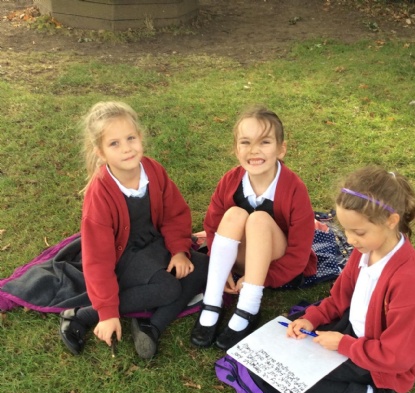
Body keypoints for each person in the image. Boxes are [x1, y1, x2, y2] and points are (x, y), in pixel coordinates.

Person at [286, 167, 415, 393]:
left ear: (391, 221)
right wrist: (312, 318)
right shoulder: (364, 251)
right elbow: (339, 298)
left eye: (358, 231)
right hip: (355, 332)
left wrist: (344, 345)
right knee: (283, 355)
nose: (349, 240)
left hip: (379, 359)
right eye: (345, 229)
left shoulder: (413, 287)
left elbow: (398, 357)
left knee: (292, 381)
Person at [59, 101, 208, 359]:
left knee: (205, 266)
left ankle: (150, 327)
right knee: (168, 288)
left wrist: (179, 251)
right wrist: (107, 312)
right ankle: (84, 314)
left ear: (140, 137)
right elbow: (98, 258)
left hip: (154, 244)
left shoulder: (153, 170)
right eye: (114, 143)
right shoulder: (100, 193)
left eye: (130, 138)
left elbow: (174, 215)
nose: (126, 148)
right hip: (124, 256)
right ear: (101, 152)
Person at [190, 105, 317, 350]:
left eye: (265, 142)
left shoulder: (294, 189)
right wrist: (221, 268)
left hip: (273, 262)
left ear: (281, 149)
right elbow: (213, 227)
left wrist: (257, 279)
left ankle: (249, 306)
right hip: (238, 259)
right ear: (236, 148)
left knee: (259, 219)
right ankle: (212, 300)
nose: (254, 150)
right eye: (246, 142)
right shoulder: (229, 180)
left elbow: (299, 253)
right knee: (234, 214)